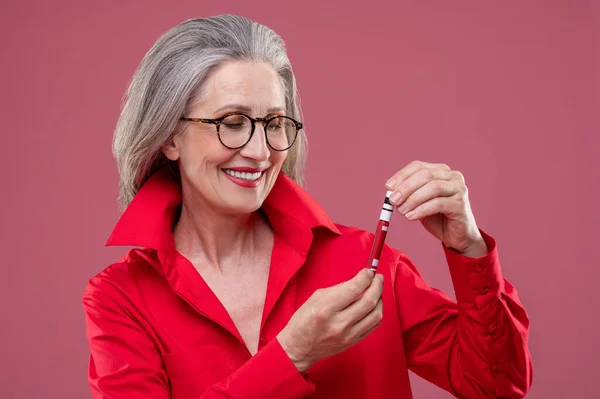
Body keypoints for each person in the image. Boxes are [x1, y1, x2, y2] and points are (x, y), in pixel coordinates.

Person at [82, 14, 533, 399]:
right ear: (168, 137)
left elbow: (496, 384)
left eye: (275, 123)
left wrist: (469, 247)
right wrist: (292, 356)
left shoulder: (363, 264)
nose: (260, 151)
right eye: (232, 123)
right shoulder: (120, 298)